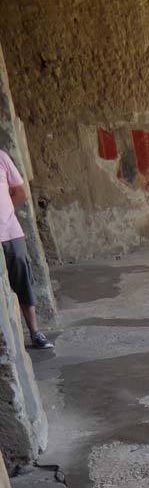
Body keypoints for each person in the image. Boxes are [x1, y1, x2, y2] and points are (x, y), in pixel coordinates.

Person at [0, 148, 52, 349]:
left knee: (22, 279)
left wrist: (5, 213)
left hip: (10, 231)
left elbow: (21, 193)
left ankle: (35, 332)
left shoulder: (2, 157)